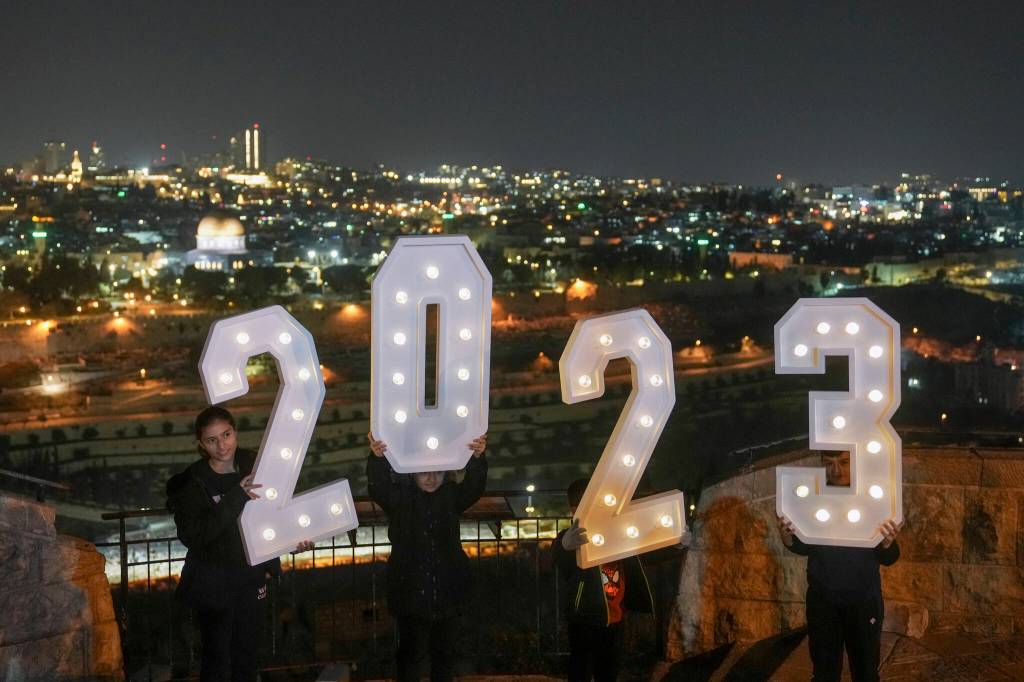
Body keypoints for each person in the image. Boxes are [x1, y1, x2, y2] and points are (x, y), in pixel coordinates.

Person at [167, 406, 314, 682]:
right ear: (201, 444)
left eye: (226, 434)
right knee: (217, 660)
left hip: (250, 580)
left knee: (247, 657)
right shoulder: (192, 484)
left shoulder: (256, 466)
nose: (222, 446)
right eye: (212, 440)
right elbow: (196, 536)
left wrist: (292, 542)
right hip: (213, 585)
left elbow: (273, 516)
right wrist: (236, 497)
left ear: (235, 431)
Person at [366, 431, 488, 682]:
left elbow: (474, 487)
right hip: (410, 596)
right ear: (412, 473)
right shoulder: (400, 498)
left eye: (438, 472)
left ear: (447, 473)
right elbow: (379, 488)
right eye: (424, 472)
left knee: (444, 658)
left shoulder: (451, 496)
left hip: (448, 595)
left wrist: (477, 457)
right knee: (410, 658)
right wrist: (377, 458)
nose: (431, 478)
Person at [777, 451, 903, 682]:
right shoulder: (814, 498)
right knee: (824, 672)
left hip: (863, 601)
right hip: (823, 601)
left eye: (844, 462)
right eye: (829, 463)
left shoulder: (870, 497)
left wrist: (887, 543)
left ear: (855, 461)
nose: (837, 470)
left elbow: (889, 558)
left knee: (865, 672)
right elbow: (806, 547)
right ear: (821, 465)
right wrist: (787, 538)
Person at [552, 478, 655, 682]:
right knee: (580, 668)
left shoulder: (617, 534)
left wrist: (677, 544)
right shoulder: (574, 537)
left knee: (609, 670)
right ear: (575, 510)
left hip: (615, 616)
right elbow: (559, 555)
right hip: (583, 618)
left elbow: (644, 554)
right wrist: (565, 545)